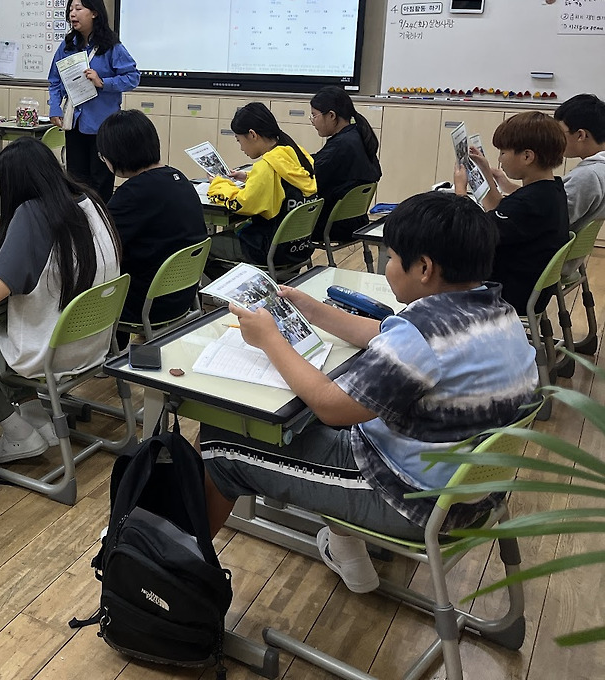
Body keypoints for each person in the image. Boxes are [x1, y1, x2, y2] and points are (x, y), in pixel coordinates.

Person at [201, 191, 538, 594]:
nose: (389, 266)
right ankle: (349, 555)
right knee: (321, 417)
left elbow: (330, 407)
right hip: (476, 491)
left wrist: (270, 339)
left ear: (424, 268)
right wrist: (313, 310)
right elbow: (384, 334)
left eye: (392, 258)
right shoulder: (495, 311)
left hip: (412, 501)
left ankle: (187, 573)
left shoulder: (421, 336)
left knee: (220, 440)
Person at [0, 137, 120, 463]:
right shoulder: (89, 202)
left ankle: (18, 434)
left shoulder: (33, 214)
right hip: (93, 343)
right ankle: (38, 418)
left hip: (49, 351)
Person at [95, 109, 206, 327]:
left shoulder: (133, 194)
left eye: (103, 156)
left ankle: (109, 347)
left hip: (147, 304)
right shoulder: (178, 177)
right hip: (183, 296)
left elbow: (100, 246)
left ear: (118, 154)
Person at [456, 112, 569, 312]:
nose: (500, 160)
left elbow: (468, 232)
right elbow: (499, 209)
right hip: (528, 289)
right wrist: (485, 173)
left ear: (527, 156)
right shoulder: (552, 190)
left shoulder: (528, 203)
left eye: (503, 153)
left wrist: (460, 192)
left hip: (506, 294)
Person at [47, 0, 139, 202]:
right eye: (70, 9)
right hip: (75, 123)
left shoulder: (111, 47)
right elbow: (55, 80)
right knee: (76, 181)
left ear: (95, 13)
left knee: (100, 183)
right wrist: (54, 107)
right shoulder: (67, 46)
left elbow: (133, 77)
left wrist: (103, 82)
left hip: (102, 127)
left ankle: (101, 221)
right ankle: (79, 221)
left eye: (78, 8)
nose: (72, 14)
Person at [207, 102, 317, 268]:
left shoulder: (266, 167)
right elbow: (280, 181)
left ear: (252, 134)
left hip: (268, 250)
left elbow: (241, 203)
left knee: (204, 248)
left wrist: (217, 184)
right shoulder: (296, 153)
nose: (241, 148)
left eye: (239, 140)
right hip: (298, 248)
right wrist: (248, 177)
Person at [308, 86, 381, 241]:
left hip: (331, 225)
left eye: (314, 115)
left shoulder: (341, 145)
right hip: (355, 220)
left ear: (331, 115)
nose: (313, 121)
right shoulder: (358, 135)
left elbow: (311, 176)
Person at [553, 93, 605, 234]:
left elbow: (548, 221)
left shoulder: (588, 176)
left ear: (580, 135)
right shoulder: (599, 170)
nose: (555, 139)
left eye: (559, 133)